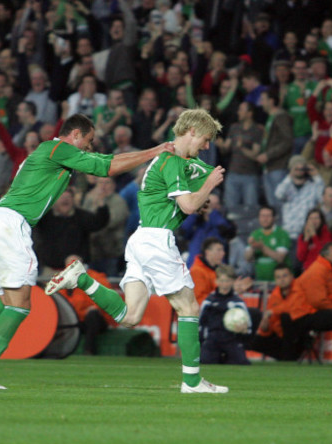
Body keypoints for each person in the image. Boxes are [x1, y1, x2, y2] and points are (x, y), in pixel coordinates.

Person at [0, 113, 173, 389]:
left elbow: (97, 165)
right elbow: (105, 166)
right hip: (12, 225)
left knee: (7, 308)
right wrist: (157, 150)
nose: (90, 145)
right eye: (89, 139)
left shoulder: (51, 154)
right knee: (21, 308)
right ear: (74, 135)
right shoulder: (57, 148)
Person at [45, 109, 229, 393]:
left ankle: (82, 279)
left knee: (130, 317)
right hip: (156, 240)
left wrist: (201, 193)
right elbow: (189, 206)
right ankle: (192, 382)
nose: (206, 147)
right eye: (205, 139)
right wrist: (209, 186)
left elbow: (192, 199)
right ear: (190, 131)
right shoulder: (171, 161)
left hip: (141, 240)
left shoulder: (178, 162)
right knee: (189, 307)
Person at [199, 265, 252, 366]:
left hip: (231, 339)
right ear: (216, 281)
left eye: (228, 281)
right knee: (206, 362)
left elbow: (248, 326)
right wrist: (203, 341)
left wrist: (244, 330)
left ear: (232, 282)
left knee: (241, 362)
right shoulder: (209, 301)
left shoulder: (238, 302)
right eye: (222, 281)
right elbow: (201, 323)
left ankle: (227, 356)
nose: (225, 284)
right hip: (212, 339)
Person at [59, 255, 110, 356]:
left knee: (93, 314)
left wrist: (91, 309)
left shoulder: (96, 278)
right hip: (73, 319)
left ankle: (89, 350)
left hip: (93, 320)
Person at [244, 206, 291, 281]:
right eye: (262, 216)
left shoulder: (282, 234)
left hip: (279, 281)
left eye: (268, 216)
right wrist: (252, 247)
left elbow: (280, 258)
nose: (265, 219)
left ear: (274, 218)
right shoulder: (255, 234)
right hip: (260, 280)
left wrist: (262, 247)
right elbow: (247, 258)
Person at [191, 237, 226, 306]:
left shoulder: (220, 270)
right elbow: (199, 300)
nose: (223, 253)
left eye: (222, 250)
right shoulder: (197, 272)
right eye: (219, 250)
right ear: (207, 252)